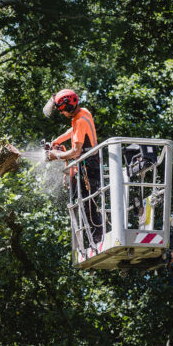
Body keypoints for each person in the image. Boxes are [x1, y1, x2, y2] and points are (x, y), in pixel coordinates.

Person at [45, 89, 103, 244]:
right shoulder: (84, 113)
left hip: (88, 167)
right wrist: (57, 141)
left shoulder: (79, 120)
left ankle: (97, 237)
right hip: (91, 165)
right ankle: (95, 235)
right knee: (85, 202)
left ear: (68, 108)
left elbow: (76, 151)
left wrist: (55, 155)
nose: (62, 113)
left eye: (62, 110)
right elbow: (74, 131)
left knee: (87, 203)